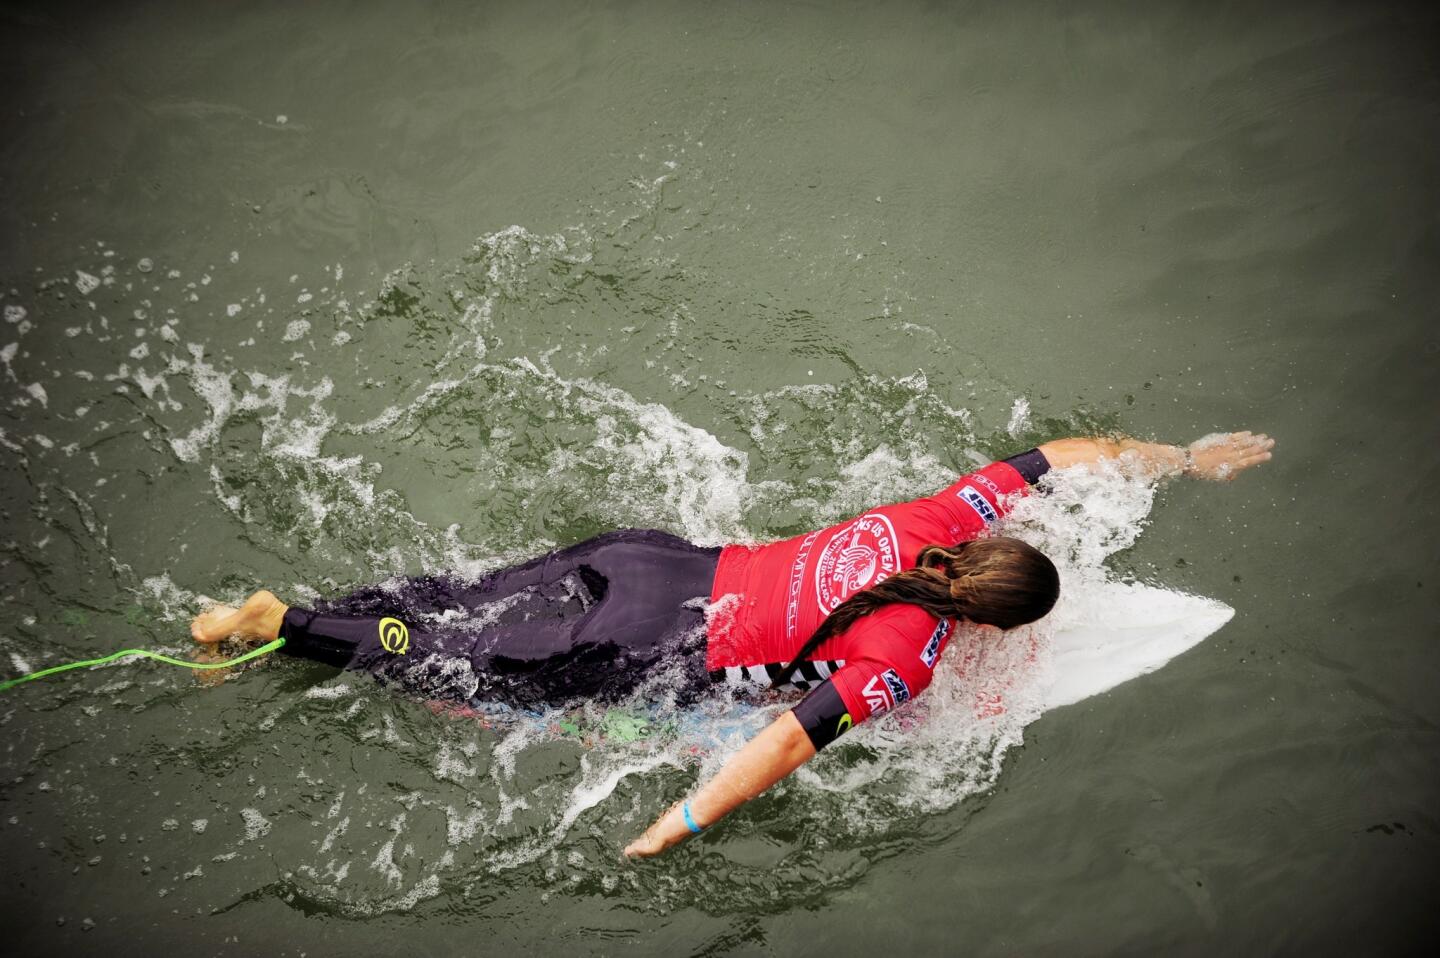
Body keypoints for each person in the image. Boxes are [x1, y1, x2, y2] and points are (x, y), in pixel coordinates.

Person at [189, 430, 1274, 858]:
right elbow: (788, 747)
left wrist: (1179, 455)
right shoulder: (901, 659)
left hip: (653, 560)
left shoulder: (943, 519)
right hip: (642, 637)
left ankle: (313, 611)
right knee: (443, 661)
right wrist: (677, 821)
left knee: (460, 602)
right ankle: (279, 626)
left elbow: (1057, 456)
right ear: (977, 621)